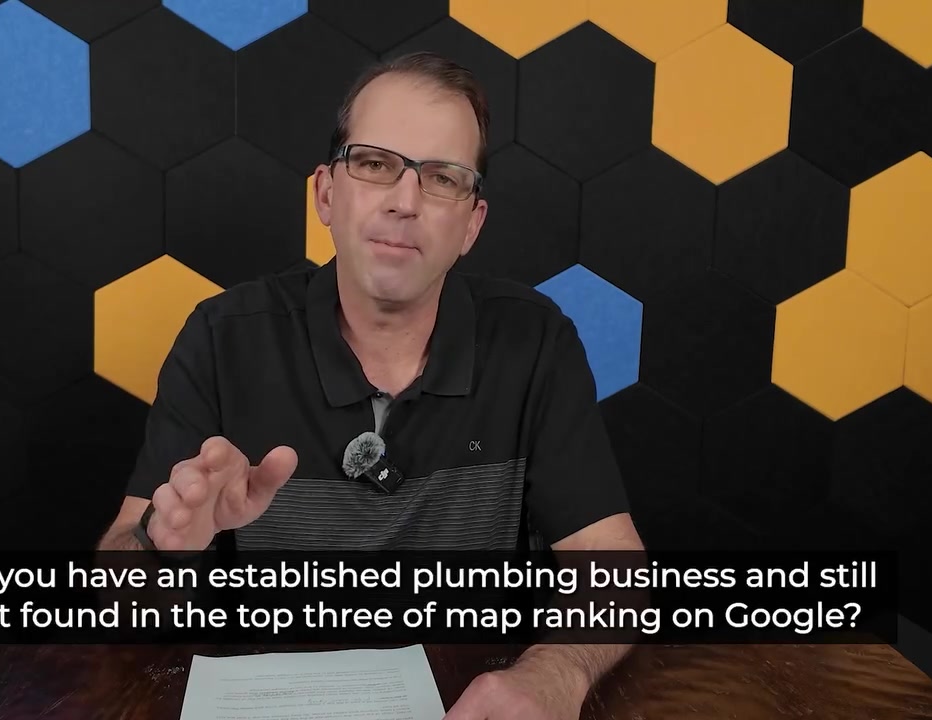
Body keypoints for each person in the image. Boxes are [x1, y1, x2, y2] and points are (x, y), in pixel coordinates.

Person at [98, 51, 644, 719]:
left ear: (472, 224)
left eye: (442, 178)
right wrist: (164, 547)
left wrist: (556, 674)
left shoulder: (535, 342)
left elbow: (612, 563)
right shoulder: (221, 338)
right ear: (326, 194)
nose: (405, 202)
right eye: (376, 164)